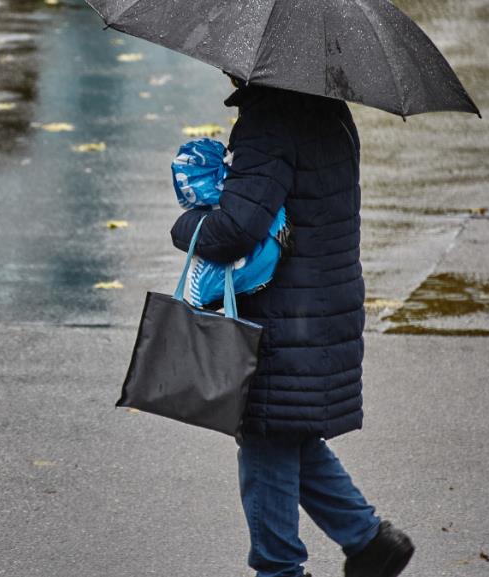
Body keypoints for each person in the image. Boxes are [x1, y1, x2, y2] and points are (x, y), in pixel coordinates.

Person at [170, 77, 415, 577]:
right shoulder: (329, 111)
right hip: (321, 306)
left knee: (265, 437)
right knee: (288, 431)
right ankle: (369, 542)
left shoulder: (270, 121)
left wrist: (187, 225)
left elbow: (236, 229)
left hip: (283, 315)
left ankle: (280, 570)